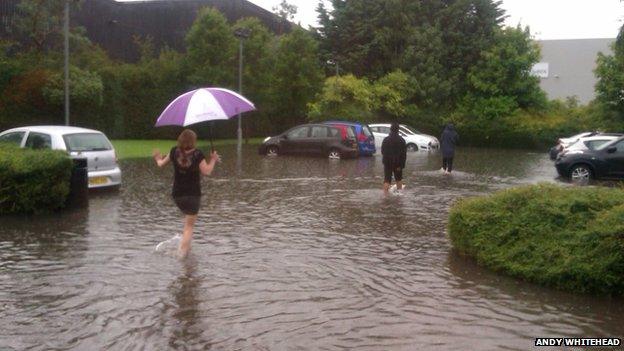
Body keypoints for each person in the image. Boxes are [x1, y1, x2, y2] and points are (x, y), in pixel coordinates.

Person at [153, 129, 220, 258]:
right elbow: (207, 172)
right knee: (189, 227)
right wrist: (213, 159)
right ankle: (182, 256)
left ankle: (186, 249)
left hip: (177, 194)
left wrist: (157, 158)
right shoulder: (197, 154)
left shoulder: (174, 151)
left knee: (187, 223)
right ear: (193, 141)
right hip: (193, 194)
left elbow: (160, 164)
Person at [381, 122, 407, 195]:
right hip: (398, 163)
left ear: (390, 129)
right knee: (398, 179)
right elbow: (404, 155)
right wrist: (401, 166)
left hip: (387, 163)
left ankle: (385, 196)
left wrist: (386, 160)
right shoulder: (402, 140)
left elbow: (382, 151)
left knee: (387, 180)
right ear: (398, 130)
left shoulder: (386, 139)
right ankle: (399, 195)